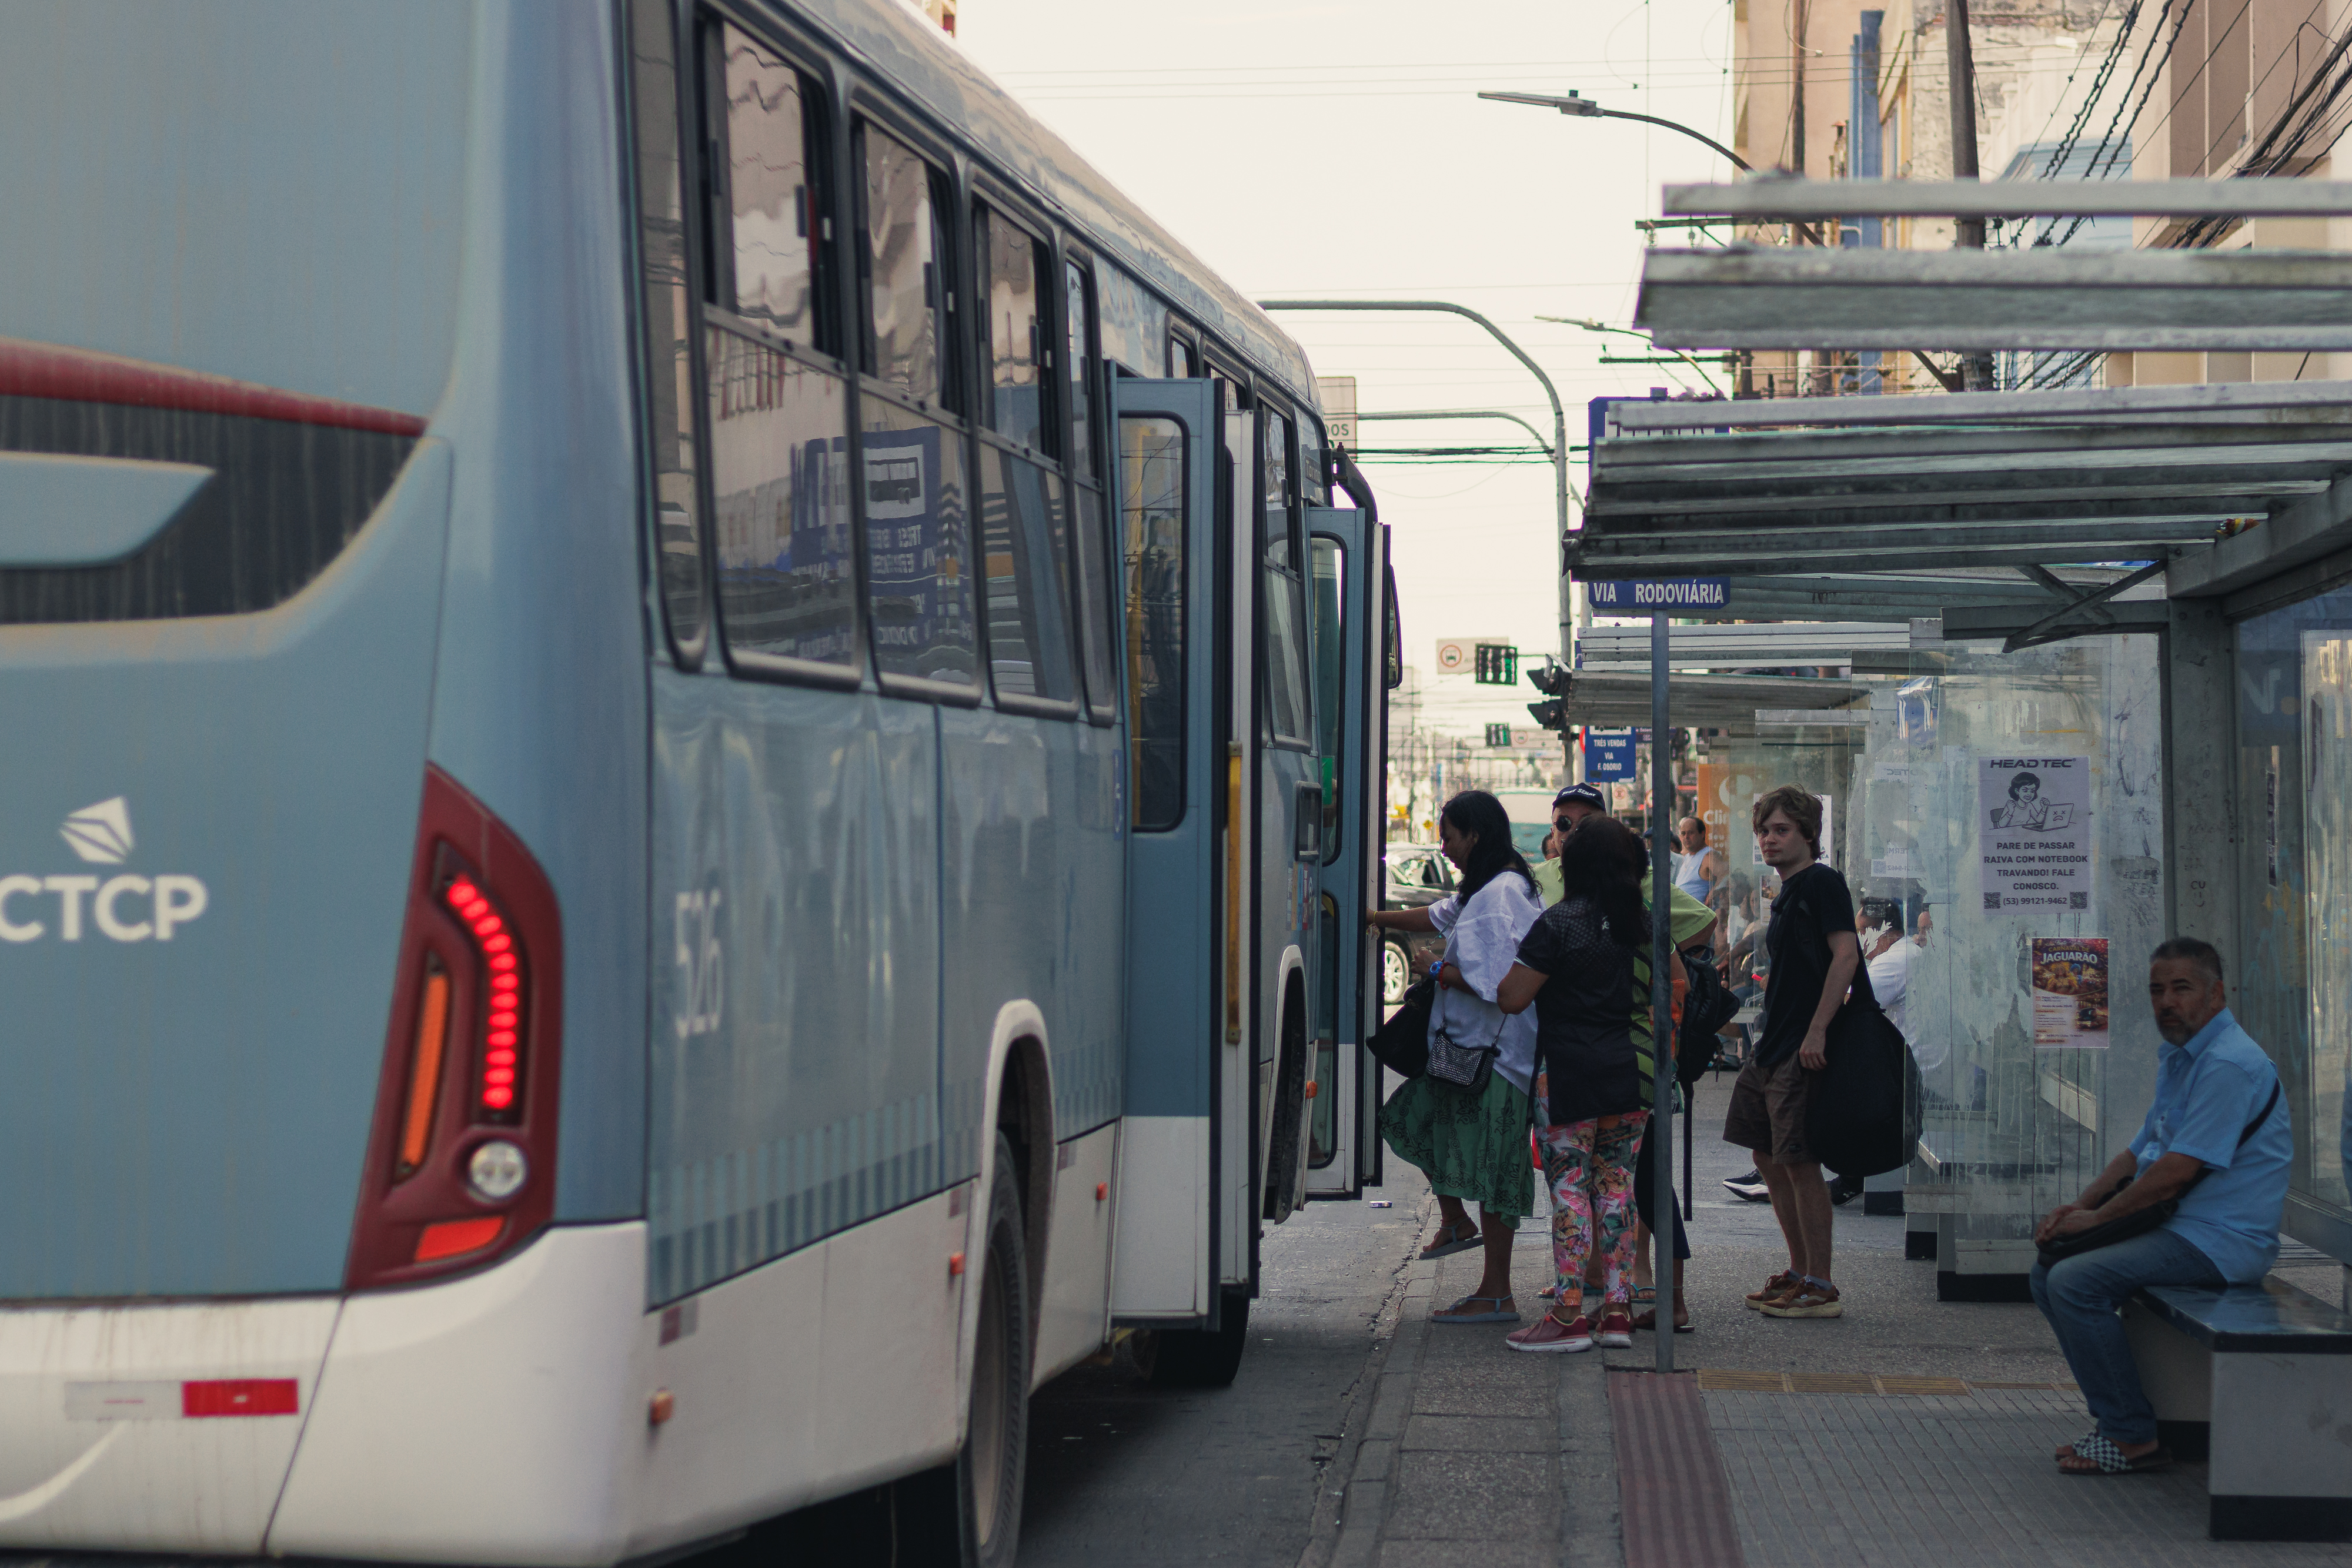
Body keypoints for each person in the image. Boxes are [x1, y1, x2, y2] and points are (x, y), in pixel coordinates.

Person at [2032, 938, 2289, 1475]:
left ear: (2216, 994)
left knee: (2074, 1281)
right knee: (2047, 1266)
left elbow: (2174, 1173)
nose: (2166, 1001)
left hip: (2222, 1240)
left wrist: (2098, 1220)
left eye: (2181, 988)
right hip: (2184, 1227)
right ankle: (2115, 1421)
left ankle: (2130, 1434)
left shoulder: (2229, 1065)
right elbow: (2139, 1151)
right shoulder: (2183, 1055)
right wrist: (2076, 1207)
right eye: (2156, 990)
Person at [1366, 791, 1545, 1325]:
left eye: (1449, 836)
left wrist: (1436, 970)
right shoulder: (1487, 888)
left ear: (1476, 835)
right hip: (1462, 1053)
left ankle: (1496, 1292)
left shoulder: (1501, 896)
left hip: (1496, 1059)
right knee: (1410, 1121)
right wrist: (1372, 915)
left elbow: (1499, 986)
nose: (1443, 847)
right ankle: (1456, 1222)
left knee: (1495, 1171)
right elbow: (1434, 914)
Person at [1494, 815, 1666, 1352]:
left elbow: (1512, 997)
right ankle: (1617, 1310)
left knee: (1570, 1188)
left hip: (1569, 1074)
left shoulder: (1560, 923)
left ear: (1572, 865)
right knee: (1618, 1187)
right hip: (1632, 1073)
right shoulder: (1647, 924)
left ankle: (1569, 1312)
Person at [1722, 785, 1859, 1319]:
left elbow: (1845, 957)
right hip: (1772, 1042)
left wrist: (1819, 1030)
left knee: (1800, 1161)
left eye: (1781, 830)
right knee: (1765, 1152)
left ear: (1808, 834)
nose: (1770, 839)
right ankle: (1800, 1269)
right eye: (1764, 831)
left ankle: (1820, 1283)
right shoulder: (1788, 889)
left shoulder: (1822, 882)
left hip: (1800, 1044)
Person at [1673, 816, 1725, 905]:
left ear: (1702, 834)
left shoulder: (1709, 856)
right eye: (1683, 834)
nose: (1686, 837)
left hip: (1697, 915)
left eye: (1691, 833)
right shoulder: (1687, 857)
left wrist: (1711, 895)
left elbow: (1726, 874)